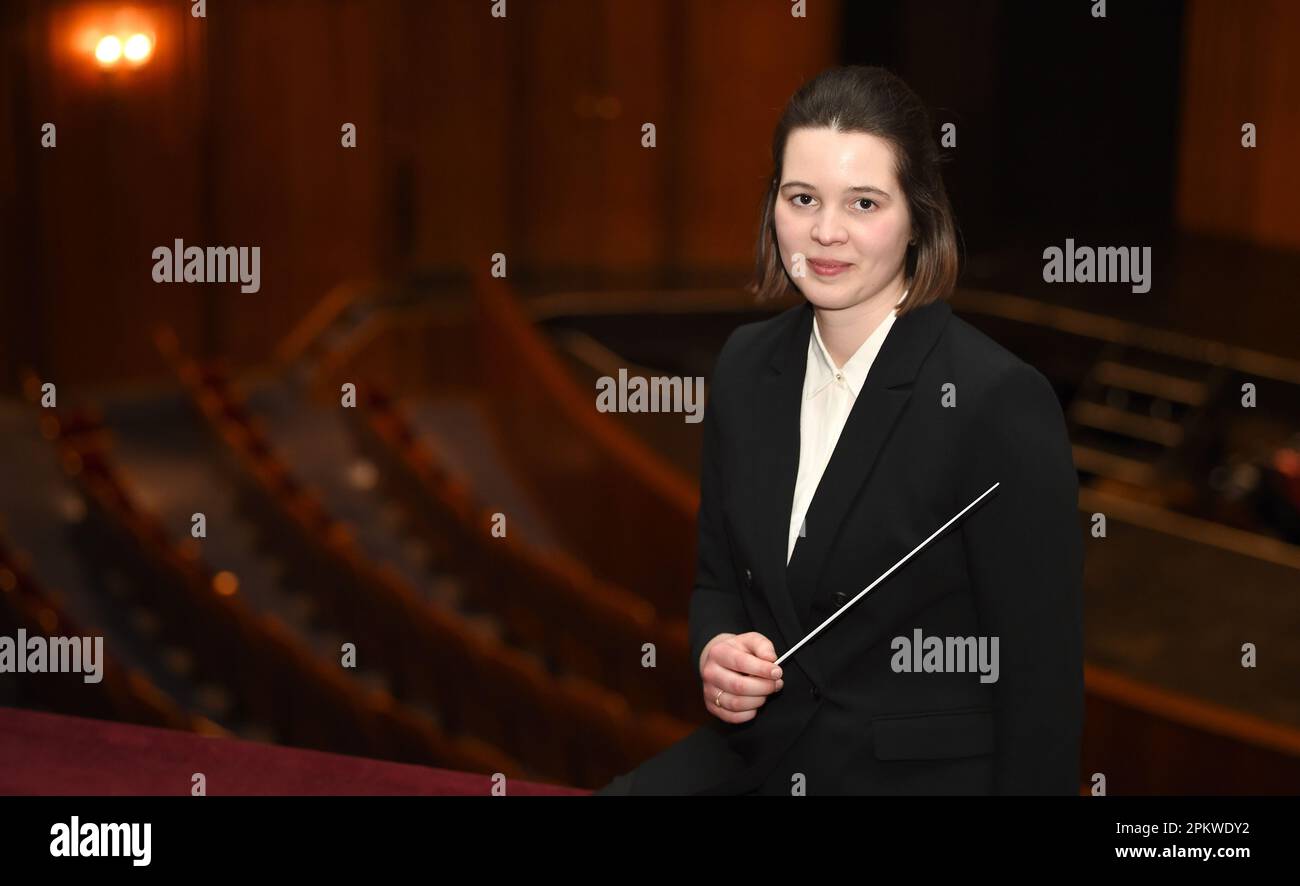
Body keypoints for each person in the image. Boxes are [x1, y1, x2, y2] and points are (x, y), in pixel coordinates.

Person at [594, 65, 1083, 796]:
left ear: (918, 216)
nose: (826, 232)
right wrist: (718, 652)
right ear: (774, 207)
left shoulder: (998, 403)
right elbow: (718, 583)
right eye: (802, 199)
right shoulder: (743, 365)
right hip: (763, 752)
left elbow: (1041, 684)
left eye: (863, 202)